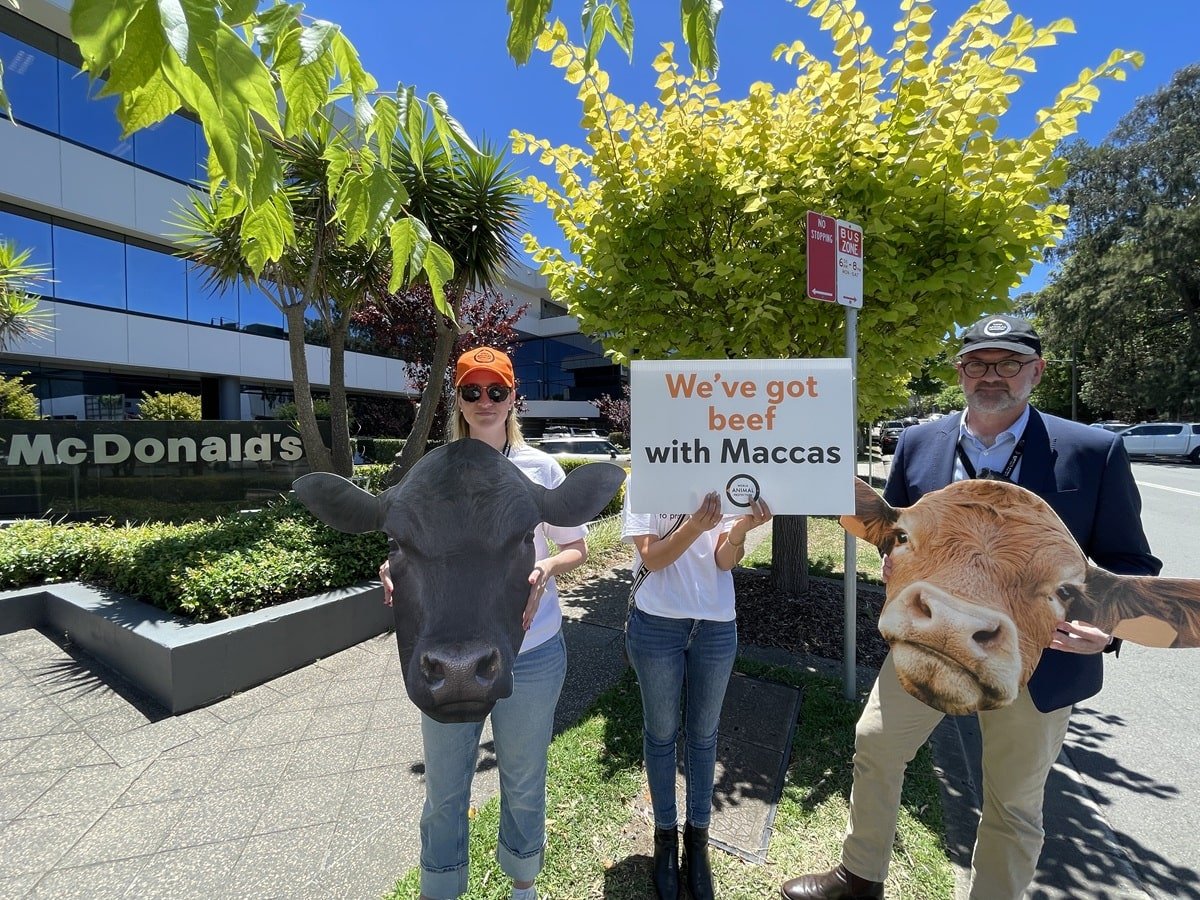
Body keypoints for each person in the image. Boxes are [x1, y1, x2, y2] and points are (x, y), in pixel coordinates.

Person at [780, 314, 1161, 900]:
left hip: (1038, 659)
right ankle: (860, 876)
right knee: (876, 743)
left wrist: (1106, 630)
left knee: (1012, 801)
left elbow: (1130, 563)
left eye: (1008, 363)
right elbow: (898, 529)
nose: (993, 376)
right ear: (959, 371)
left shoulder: (1093, 452)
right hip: (925, 644)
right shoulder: (918, 441)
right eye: (979, 363)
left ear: (1036, 371)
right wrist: (893, 553)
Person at [379, 346, 589, 900]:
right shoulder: (435, 472)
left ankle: (523, 883)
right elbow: (413, 542)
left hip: (532, 647)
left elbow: (576, 548)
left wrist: (545, 564)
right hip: (445, 643)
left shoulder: (539, 468)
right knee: (446, 786)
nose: (485, 401)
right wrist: (394, 563)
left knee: (523, 777)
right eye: (472, 391)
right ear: (459, 400)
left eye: (496, 391)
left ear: (512, 397)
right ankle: (441, 888)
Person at [623, 483, 772, 899]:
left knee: (705, 737)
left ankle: (698, 842)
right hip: (656, 626)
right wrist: (693, 527)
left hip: (716, 625)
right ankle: (665, 839)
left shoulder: (720, 477)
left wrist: (741, 528)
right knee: (661, 734)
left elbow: (725, 560)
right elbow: (651, 557)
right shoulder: (646, 475)